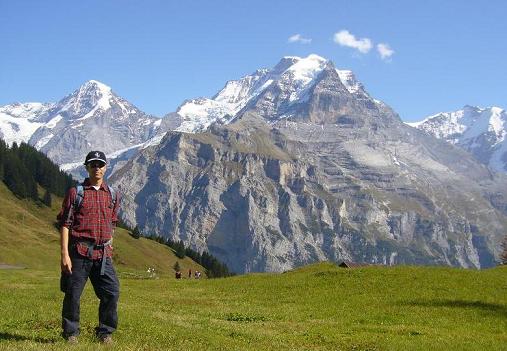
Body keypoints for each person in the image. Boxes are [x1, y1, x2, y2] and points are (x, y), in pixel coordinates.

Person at [58, 151, 120, 344]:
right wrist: (64, 255)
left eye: (100, 164)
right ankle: (71, 333)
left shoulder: (113, 194)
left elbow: (113, 222)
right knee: (73, 294)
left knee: (112, 291)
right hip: (79, 252)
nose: (97, 168)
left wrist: (110, 245)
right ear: (86, 167)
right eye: (93, 164)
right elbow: (66, 224)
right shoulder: (76, 193)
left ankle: (105, 332)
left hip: (103, 254)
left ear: (106, 167)